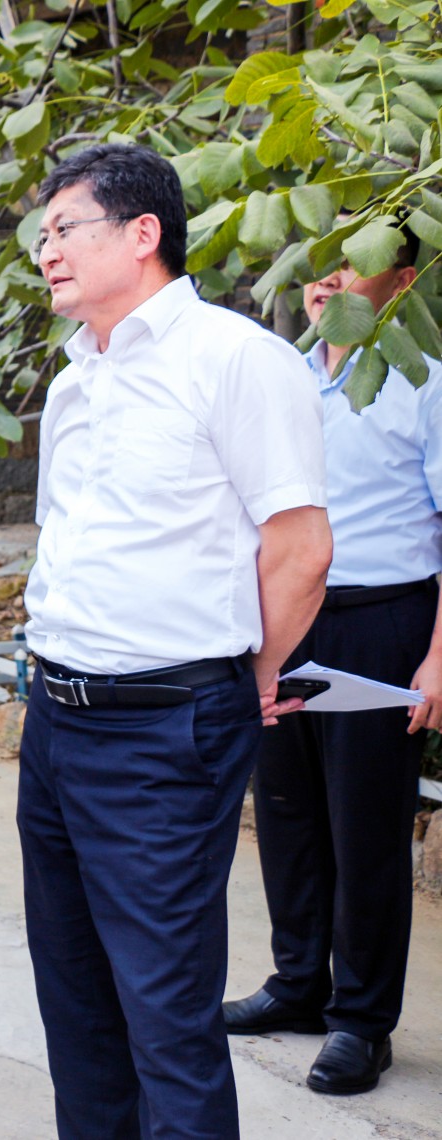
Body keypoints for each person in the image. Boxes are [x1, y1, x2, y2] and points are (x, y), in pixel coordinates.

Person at [18, 143, 332, 1138]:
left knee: (165, 1015)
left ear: (143, 233)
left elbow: (300, 549)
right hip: (54, 717)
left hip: (164, 729)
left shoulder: (235, 360)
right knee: (75, 1003)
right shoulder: (77, 378)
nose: (46, 252)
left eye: (65, 229)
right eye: (41, 236)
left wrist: (254, 674)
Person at [222, 223, 441, 1095]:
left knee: (366, 826)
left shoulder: (426, 382)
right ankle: (298, 985)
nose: (328, 283)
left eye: (352, 265)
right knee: (286, 812)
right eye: (318, 267)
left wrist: (437, 660)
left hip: (380, 621)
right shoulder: (278, 379)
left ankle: (361, 1020)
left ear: (403, 281)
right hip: (283, 618)